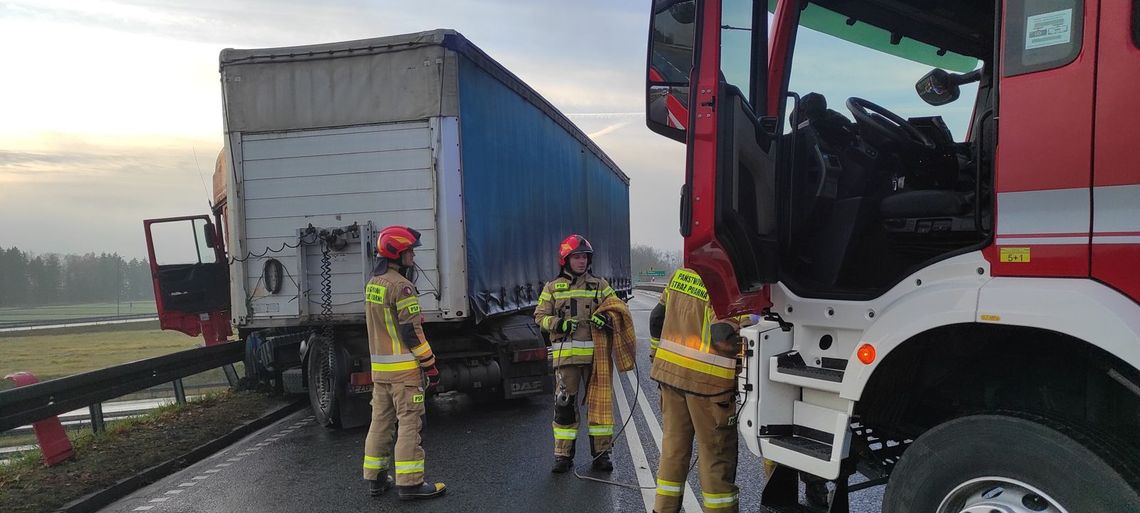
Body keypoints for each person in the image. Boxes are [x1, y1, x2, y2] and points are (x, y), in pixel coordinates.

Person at [649, 267, 747, 513]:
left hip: (671, 378)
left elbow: (656, 318)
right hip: (709, 385)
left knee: (673, 451)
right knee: (715, 457)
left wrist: (655, 354)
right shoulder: (730, 278)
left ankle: (663, 509)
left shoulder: (682, 274)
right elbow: (723, 336)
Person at [535, 234, 635, 474]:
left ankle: (601, 455)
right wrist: (558, 324)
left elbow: (618, 308)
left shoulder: (599, 285)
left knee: (600, 407)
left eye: (584, 257)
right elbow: (539, 317)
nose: (581, 261)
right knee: (564, 407)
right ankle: (562, 456)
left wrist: (606, 317)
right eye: (576, 257)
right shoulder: (552, 287)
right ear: (565, 260)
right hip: (566, 359)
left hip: (595, 360)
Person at [361, 225, 446, 500]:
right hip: (404, 372)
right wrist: (430, 364)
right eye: (410, 251)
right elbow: (411, 332)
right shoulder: (402, 286)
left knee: (380, 424)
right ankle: (410, 484)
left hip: (381, 371)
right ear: (397, 252)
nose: (413, 256)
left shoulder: (374, 283)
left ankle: (376, 479)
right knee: (410, 424)